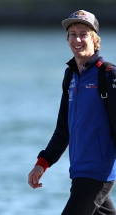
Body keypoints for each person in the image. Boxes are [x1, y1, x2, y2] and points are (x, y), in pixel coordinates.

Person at [28, 10, 116, 215]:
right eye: (72, 33)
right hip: (79, 171)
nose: (77, 39)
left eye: (83, 34)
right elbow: (63, 129)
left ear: (94, 39)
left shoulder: (108, 75)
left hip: (97, 173)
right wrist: (43, 163)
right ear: (67, 39)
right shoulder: (70, 76)